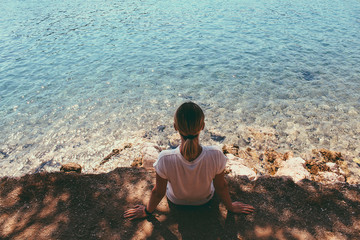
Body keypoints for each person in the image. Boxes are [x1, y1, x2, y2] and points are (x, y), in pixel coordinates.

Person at [124, 102, 254, 220]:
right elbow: (221, 186)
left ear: (175, 127)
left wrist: (147, 211)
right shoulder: (216, 154)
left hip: (176, 201)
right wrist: (230, 207)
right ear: (202, 126)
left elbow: (158, 192)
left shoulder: (164, 158)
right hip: (205, 200)